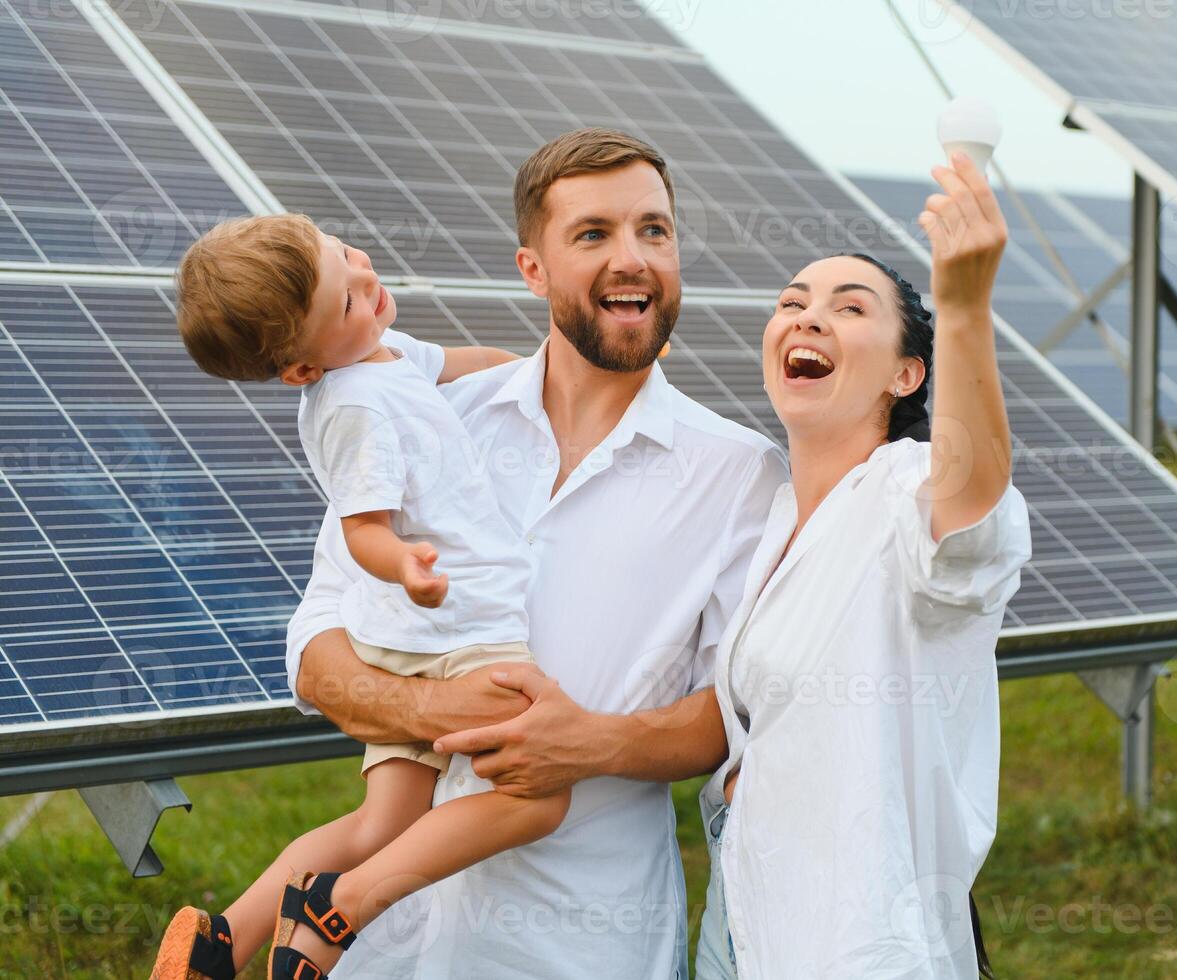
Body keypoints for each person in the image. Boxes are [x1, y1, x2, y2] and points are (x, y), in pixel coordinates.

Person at [283, 128, 788, 978]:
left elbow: (734, 716)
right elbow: (316, 651)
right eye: (593, 234)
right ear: (533, 269)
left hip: (579, 940)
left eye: (653, 231)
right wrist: (422, 713)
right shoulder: (432, 416)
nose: (632, 258)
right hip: (386, 946)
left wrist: (590, 743)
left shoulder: (741, 473)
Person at [154, 211, 568, 979]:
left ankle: (219, 944)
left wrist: (550, 370)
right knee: (538, 797)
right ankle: (338, 909)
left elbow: (464, 363)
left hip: (401, 639)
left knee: (383, 820)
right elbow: (361, 527)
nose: (367, 280)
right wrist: (405, 565)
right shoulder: (355, 407)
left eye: (347, 253)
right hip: (454, 630)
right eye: (345, 298)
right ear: (301, 371)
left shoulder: (379, 355)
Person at [693, 151, 1032, 979]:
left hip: (856, 940)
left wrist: (961, 307)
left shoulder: (907, 490)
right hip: (740, 910)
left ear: (905, 373)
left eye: (849, 308)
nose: (807, 318)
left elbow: (969, 511)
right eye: (791, 303)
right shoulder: (768, 515)